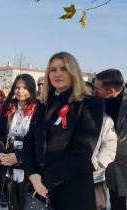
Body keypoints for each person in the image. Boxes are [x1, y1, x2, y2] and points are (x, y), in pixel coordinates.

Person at [22, 52, 103, 210]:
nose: (57, 73)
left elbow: (82, 151)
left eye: (64, 69)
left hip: (72, 189)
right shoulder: (42, 104)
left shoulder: (88, 104)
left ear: (73, 72)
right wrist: (32, 174)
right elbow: (29, 140)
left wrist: (45, 180)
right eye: (53, 70)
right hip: (39, 187)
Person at [0, 74, 37, 210]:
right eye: (17, 87)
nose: (20, 91)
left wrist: (18, 157)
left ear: (31, 89)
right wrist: (0, 153)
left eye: (24, 87)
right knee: (12, 204)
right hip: (7, 164)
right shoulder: (9, 108)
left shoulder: (39, 110)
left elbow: (40, 142)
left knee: (28, 204)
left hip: (28, 166)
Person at [94, 69, 127, 210]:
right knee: (116, 202)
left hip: (126, 161)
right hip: (109, 164)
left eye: (97, 88)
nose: (94, 90)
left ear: (111, 91)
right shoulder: (97, 102)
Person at [86, 82, 117, 210]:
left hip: (95, 177)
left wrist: (97, 164)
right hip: (71, 177)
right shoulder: (67, 116)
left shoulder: (104, 119)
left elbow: (109, 146)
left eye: (88, 94)